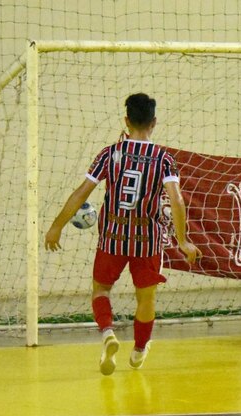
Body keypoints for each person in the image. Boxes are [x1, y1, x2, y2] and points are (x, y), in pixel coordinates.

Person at [45, 93, 201, 376]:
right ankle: (139, 349)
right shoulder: (163, 158)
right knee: (146, 299)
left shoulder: (110, 153)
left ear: (126, 120)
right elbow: (176, 200)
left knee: (101, 290)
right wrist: (183, 240)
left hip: (113, 237)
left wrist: (57, 225)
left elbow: (82, 192)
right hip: (148, 240)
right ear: (154, 123)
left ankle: (107, 333)